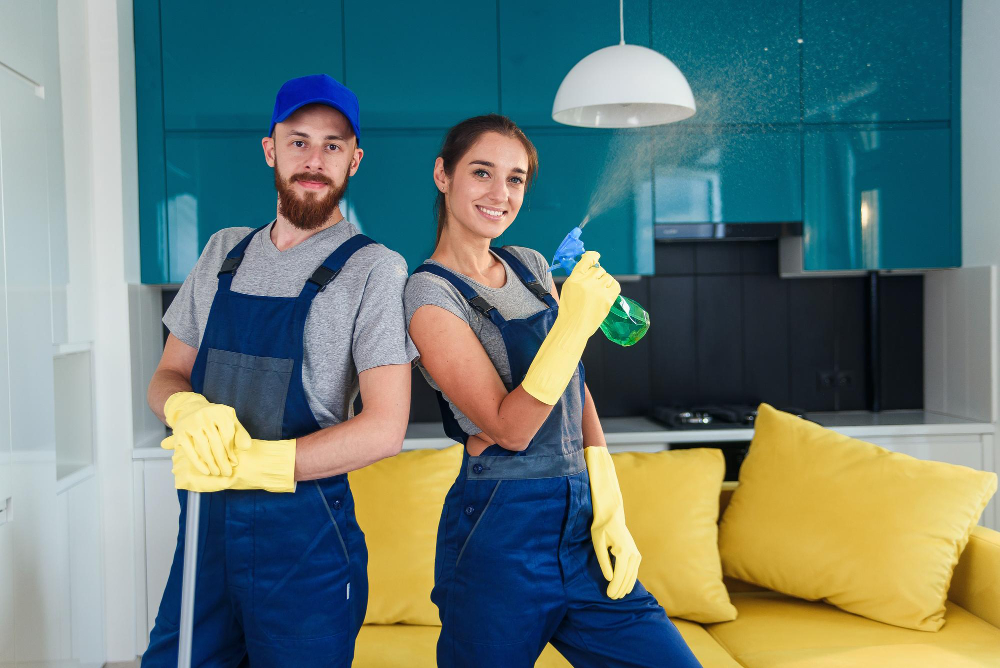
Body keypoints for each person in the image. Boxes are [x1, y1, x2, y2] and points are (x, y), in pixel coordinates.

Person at [405, 114, 702, 667]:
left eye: (515, 179)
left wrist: (606, 489)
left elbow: (573, 381)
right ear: (443, 175)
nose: (500, 193)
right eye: (482, 172)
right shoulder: (427, 296)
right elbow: (508, 428)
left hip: (578, 520)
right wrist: (572, 325)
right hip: (500, 534)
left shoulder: (529, 264)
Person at [142, 74, 416, 667]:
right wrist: (182, 406)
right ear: (270, 149)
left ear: (354, 160)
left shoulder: (374, 269)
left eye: (333, 145)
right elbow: (167, 375)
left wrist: (261, 462)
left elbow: (386, 426)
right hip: (205, 534)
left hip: (305, 543)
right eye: (298, 142)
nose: (314, 161)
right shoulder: (223, 253)